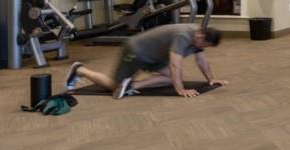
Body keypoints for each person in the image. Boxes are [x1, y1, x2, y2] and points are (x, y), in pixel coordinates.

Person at [65, 24, 225, 99]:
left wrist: (211, 79)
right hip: (135, 51)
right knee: (113, 85)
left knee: (172, 78)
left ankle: (132, 86)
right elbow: (175, 64)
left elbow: (201, 60)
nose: (203, 48)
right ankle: (80, 70)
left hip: (154, 57)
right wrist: (181, 90)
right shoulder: (183, 36)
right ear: (201, 37)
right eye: (205, 45)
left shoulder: (198, 37)